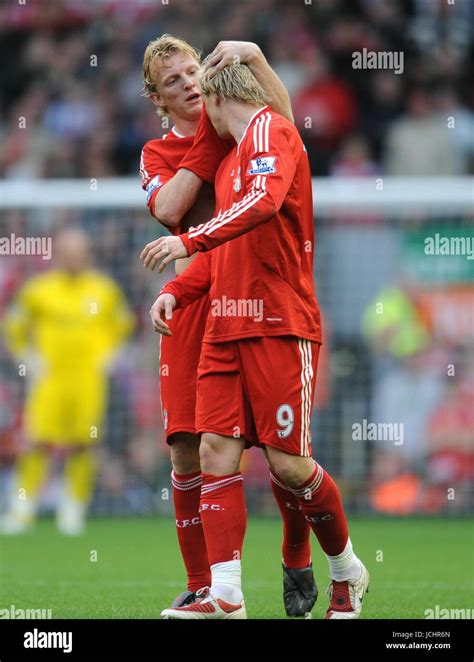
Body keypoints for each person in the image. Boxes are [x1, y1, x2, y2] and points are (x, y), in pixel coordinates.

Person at [142, 62, 369, 619]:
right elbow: (225, 253)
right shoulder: (224, 166)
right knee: (213, 451)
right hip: (223, 324)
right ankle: (225, 595)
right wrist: (179, 287)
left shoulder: (274, 132)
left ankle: (345, 567)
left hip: (277, 324)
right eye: (176, 82)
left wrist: (188, 240)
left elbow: (263, 203)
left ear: (217, 99)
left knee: (289, 466)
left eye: (199, 82)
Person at [1, 227, 134, 535]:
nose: (75, 258)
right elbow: (14, 326)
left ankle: (72, 510)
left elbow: (124, 325)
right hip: (49, 379)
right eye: (69, 252)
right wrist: (27, 358)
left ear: (87, 255)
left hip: (88, 381)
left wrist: (112, 355)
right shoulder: (38, 290)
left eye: (80, 252)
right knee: (37, 442)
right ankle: (22, 511)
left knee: (84, 445)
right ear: (58, 255)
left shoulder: (104, 290)